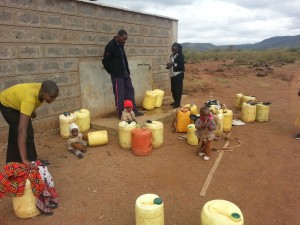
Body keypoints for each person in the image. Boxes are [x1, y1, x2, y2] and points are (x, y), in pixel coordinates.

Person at [0, 80, 59, 167]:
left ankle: (19, 162)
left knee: (25, 132)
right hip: (6, 104)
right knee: (22, 132)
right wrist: (24, 159)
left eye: (55, 97)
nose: (53, 100)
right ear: (43, 91)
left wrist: (31, 111)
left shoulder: (42, 89)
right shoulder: (29, 99)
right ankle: (24, 161)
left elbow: (30, 101)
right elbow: (22, 129)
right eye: (51, 97)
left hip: (18, 103)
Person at [102, 29, 144, 118]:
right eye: (124, 39)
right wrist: (111, 72)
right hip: (117, 75)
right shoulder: (110, 46)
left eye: (126, 39)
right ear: (119, 36)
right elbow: (105, 61)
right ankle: (121, 114)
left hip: (125, 74)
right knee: (119, 95)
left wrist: (126, 71)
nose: (125, 41)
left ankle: (133, 111)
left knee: (130, 92)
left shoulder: (121, 45)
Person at [166, 42, 185, 108]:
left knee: (178, 89)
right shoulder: (171, 56)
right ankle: (175, 101)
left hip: (178, 74)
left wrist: (173, 64)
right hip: (172, 75)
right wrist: (168, 66)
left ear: (178, 49)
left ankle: (178, 103)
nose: (173, 50)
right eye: (172, 49)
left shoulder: (180, 56)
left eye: (175, 49)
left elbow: (181, 66)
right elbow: (171, 65)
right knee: (173, 89)